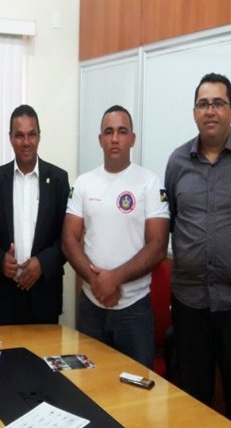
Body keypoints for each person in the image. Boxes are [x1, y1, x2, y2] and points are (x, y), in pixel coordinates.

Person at [165, 73, 231, 428]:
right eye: (204, 104)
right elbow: (174, 221)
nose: (211, 111)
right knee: (192, 400)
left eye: (218, 103)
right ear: (195, 112)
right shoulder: (178, 162)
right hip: (190, 303)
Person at [62, 105, 169, 368]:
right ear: (100, 139)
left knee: (136, 390)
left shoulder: (150, 183)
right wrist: (96, 282)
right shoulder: (84, 183)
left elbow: (158, 246)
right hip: (91, 306)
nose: (114, 138)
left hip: (133, 309)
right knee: (91, 388)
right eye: (108, 132)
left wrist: (114, 279)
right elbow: (68, 239)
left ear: (132, 138)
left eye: (122, 131)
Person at [0, 104, 69, 324]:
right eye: (19, 135)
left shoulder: (58, 180)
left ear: (39, 136)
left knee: (45, 358)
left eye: (32, 134)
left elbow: (67, 237)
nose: (26, 142)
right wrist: (1, 260)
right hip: (5, 296)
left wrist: (43, 263)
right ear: (10, 138)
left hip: (45, 294)